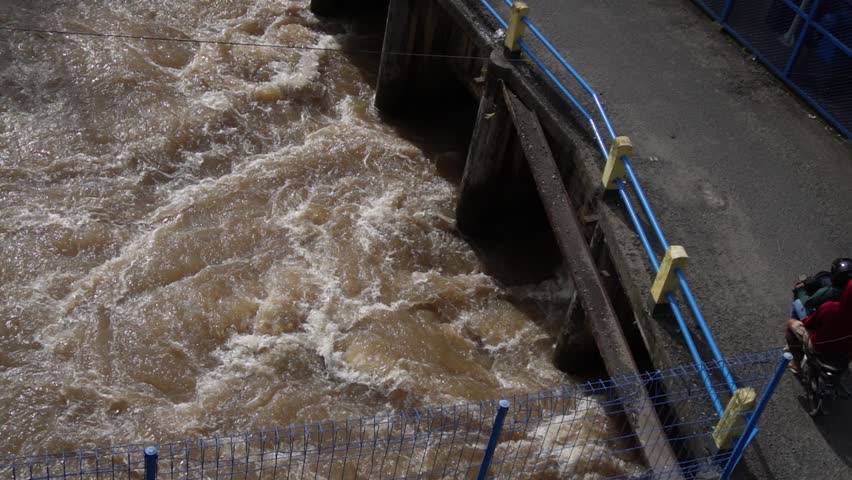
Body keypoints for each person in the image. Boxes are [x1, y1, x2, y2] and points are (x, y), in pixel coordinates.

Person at [786, 277, 852, 374]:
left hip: (819, 346)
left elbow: (808, 323)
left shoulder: (831, 308)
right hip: (845, 352)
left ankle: (796, 363)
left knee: (791, 324)